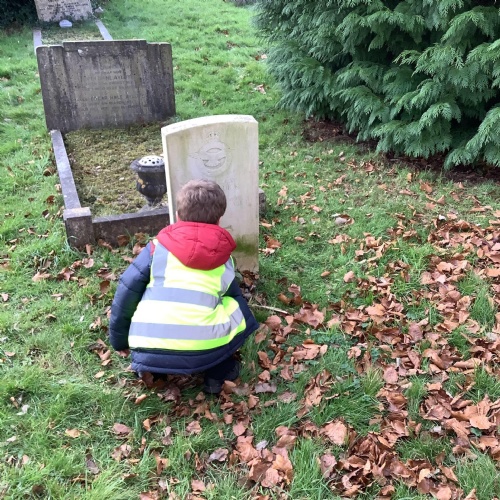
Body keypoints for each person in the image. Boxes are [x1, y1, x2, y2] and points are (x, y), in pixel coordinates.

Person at [108, 179, 259, 394]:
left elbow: (126, 292)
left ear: (178, 215)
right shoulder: (224, 259)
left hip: (149, 342)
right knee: (236, 305)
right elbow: (232, 296)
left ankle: (153, 368)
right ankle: (218, 370)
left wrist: (119, 341)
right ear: (219, 220)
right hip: (204, 347)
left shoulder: (156, 249)